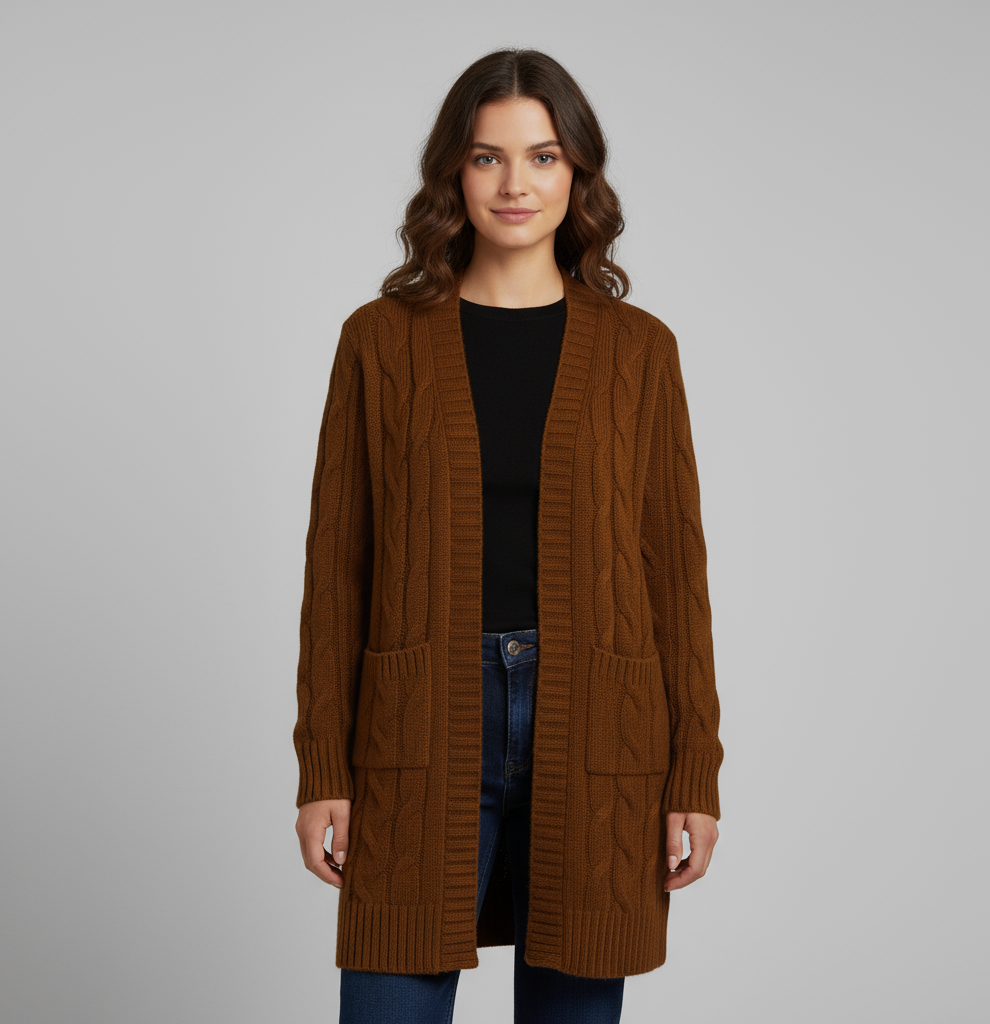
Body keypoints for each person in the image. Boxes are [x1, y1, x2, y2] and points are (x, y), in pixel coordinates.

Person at [293, 47, 724, 1024]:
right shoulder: (379, 341)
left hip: (602, 725)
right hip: (417, 721)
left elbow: (674, 573)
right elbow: (337, 569)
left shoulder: (639, 352)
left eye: (542, 156)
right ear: (453, 170)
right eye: (487, 157)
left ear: (578, 174)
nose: (514, 184)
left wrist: (694, 771)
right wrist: (323, 765)